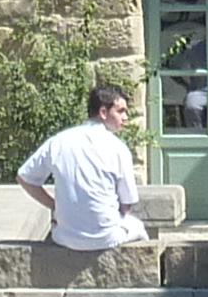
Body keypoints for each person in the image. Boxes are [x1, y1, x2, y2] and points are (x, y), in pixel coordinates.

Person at [17, 83, 151, 252]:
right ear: (103, 112)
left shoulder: (58, 141)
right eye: (120, 111)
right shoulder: (118, 148)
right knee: (138, 228)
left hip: (64, 237)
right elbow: (127, 205)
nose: (126, 117)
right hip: (108, 237)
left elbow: (24, 178)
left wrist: (55, 206)